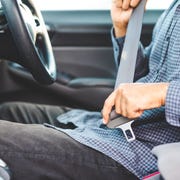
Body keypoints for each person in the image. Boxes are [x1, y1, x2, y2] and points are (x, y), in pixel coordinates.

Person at [0, 0, 179, 179]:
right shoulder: (174, 9)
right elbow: (143, 80)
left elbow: (154, 91)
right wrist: (123, 30)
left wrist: (163, 93)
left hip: (144, 153)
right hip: (118, 127)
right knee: (10, 112)